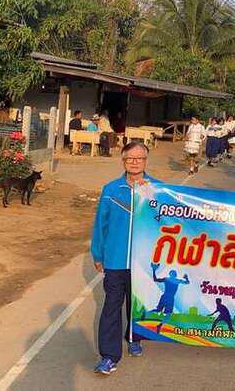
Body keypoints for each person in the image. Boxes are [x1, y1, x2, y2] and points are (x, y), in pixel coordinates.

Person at [90, 142, 155, 375]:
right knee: (112, 306)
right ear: (123, 161)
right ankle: (109, 356)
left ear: (146, 161)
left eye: (140, 158)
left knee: (137, 306)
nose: (135, 162)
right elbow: (101, 223)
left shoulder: (157, 190)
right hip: (115, 260)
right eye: (130, 158)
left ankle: (134, 337)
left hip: (143, 262)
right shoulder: (111, 189)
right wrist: (98, 253)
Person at [144, 263, 190, 333]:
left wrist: (154, 270)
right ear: (172, 275)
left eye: (173, 274)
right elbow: (187, 282)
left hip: (167, 298)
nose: (173, 275)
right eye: (172, 274)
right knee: (163, 312)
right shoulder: (173, 280)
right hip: (168, 298)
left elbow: (155, 279)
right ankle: (149, 316)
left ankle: (156, 321)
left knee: (161, 311)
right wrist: (186, 278)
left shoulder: (170, 280)